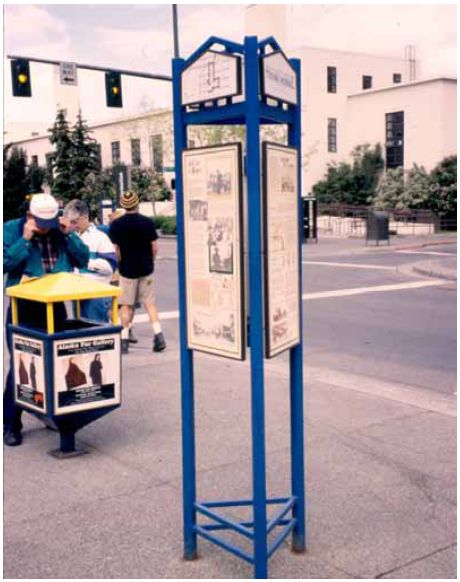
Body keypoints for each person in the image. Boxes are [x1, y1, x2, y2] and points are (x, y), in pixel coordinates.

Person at [3, 193, 89, 446]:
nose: (45, 229)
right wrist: (26, 239)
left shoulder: (58, 231)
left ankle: (55, 415)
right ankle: (11, 423)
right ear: (30, 216)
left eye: (48, 224)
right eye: (40, 223)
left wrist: (68, 234)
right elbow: (6, 263)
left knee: (58, 362)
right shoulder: (11, 229)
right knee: (23, 364)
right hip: (24, 306)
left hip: (54, 303)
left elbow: (83, 259)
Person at [109, 191, 166, 354]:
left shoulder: (116, 225)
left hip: (127, 270)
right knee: (150, 303)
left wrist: (120, 265)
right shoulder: (147, 222)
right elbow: (154, 247)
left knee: (126, 305)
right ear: (137, 203)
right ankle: (159, 335)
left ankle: (125, 339)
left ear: (123, 206)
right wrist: (150, 261)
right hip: (145, 269)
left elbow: (116, 250)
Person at [63, 200, 117, 323]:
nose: (73, 225)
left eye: (75, 222)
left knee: (97, 332)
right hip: (76, 294)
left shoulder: (100, 238)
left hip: (96, 296)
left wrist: (85, 262)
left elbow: (110, 267)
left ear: (85, 217)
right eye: (70, 222)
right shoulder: (71, 237)